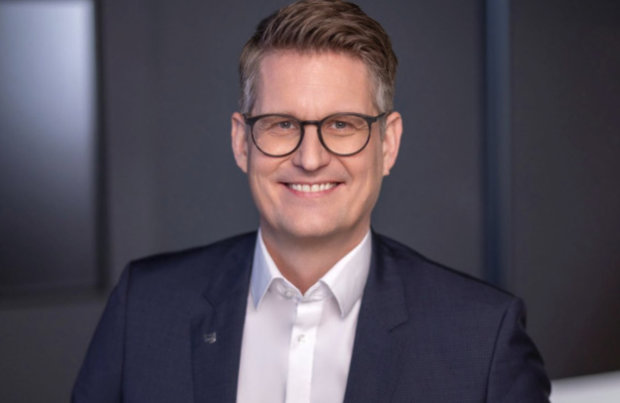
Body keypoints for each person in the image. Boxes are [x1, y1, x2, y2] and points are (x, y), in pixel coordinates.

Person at [72, 1, 550, 402]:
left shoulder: (482, 338)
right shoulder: (145, 308)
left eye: (341, 125)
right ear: (241, 142)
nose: (310, 158)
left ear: (388, 144)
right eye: (282, 124)